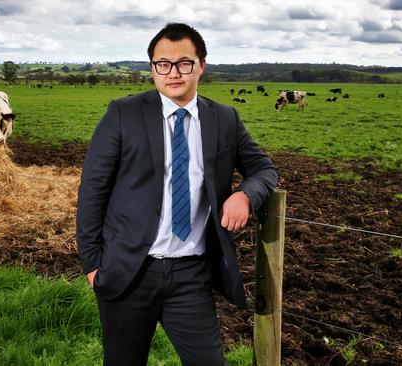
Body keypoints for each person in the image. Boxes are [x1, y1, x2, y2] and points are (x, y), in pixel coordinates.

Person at [76, 23, 278, 365]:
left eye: (184, 63)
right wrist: (93, 264)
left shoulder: (225, 119)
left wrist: (245, 195)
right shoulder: (123, 114)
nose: (173, 73)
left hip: (191, 275)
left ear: (201, 65)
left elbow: (264, 170)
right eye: (162, 64)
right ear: (152, 68)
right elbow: (93, 189)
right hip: (129, 272)